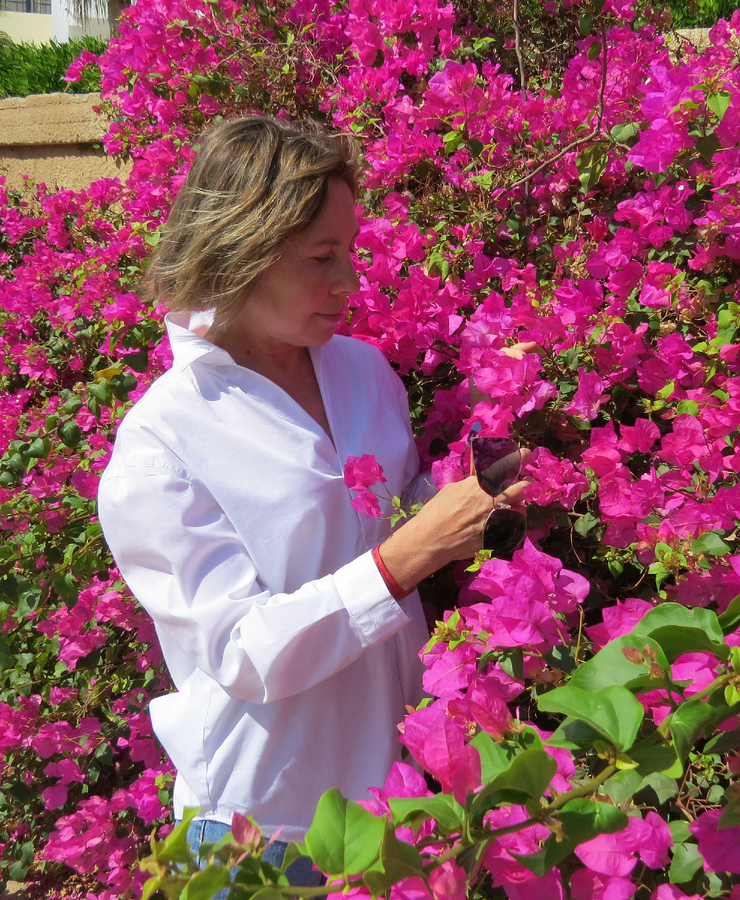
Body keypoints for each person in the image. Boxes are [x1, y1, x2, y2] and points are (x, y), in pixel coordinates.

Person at [96, 116, 528, 881]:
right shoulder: (163, 440)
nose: (350, 282)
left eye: (351, 252)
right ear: (238, 253)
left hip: (393, 784)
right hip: (262, 819)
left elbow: (392, 508)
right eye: (321, 258)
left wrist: (492, 443)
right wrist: (406, 559)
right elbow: (235, 650)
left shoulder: (360, 371)